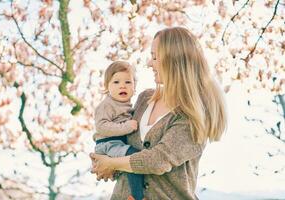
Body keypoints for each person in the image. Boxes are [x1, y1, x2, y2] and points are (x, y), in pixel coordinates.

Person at [90, 27, 227, 200]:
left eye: (155, 57)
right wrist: (104, 160)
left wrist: (112, 163)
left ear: (174, 60)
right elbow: (120, 137)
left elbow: (158, 160)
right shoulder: (144, 99)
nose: (149, 63)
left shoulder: (194, 116)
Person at [93, 60, 145, 200]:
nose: (122, 85)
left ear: (134, 87)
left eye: (128, 82)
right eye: (116, 82)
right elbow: (101, 126)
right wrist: (126, 127)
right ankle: (137, 196)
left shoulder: (127, 105)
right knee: (133, 158)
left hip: (117, 143)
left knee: (131, 161)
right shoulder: (106, 105)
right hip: (108, 143)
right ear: (107, 86)